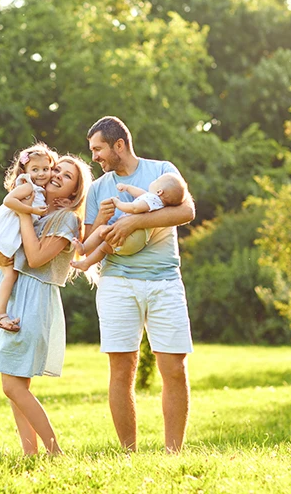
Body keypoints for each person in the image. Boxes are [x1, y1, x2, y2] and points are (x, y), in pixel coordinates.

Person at [84, 116, 195, 453]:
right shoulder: (99, 188)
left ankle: (173, 453)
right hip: (117, 281)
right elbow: (86, 242)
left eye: (98, 149)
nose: (95, 157)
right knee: (121, 368)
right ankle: (129, 453)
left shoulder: (162, 170)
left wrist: (134, 221)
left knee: (173, 367)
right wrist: (102, 221)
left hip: (164, 281)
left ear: (120, 145)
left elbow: (187, 211)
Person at [0, 155, 93, 456]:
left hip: (34, 299)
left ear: (73, 193)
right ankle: (31, 454)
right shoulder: (39, 210)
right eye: (56, 170)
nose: (55, 175)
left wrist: (25, 213)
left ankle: (55, 452)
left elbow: (35, 258)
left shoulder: (67, 219)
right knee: (14, 385)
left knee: (13, 387)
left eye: (66, 176)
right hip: (15, 294)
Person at [0, 144, 57, 333]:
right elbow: (8, 201)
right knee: (10, 274)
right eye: (35, 169)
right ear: (24, 170)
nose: (41, 173)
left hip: (2, 239)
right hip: (3, 238)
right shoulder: (27, 186)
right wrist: (31, 210)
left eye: (46, 169)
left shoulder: (38, 189)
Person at [70, 172, 187, 271]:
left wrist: (118, 203)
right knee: (104, 248)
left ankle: (84, 248)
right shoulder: (156, 202)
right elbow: (140, 194)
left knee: (101, 231)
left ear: (159, 191)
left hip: (132, 237)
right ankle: (86, 264)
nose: (154, 181)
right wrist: (127, 188)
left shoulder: (151, 200)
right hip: (136, 243)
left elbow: (134, 208)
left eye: (157, 180)